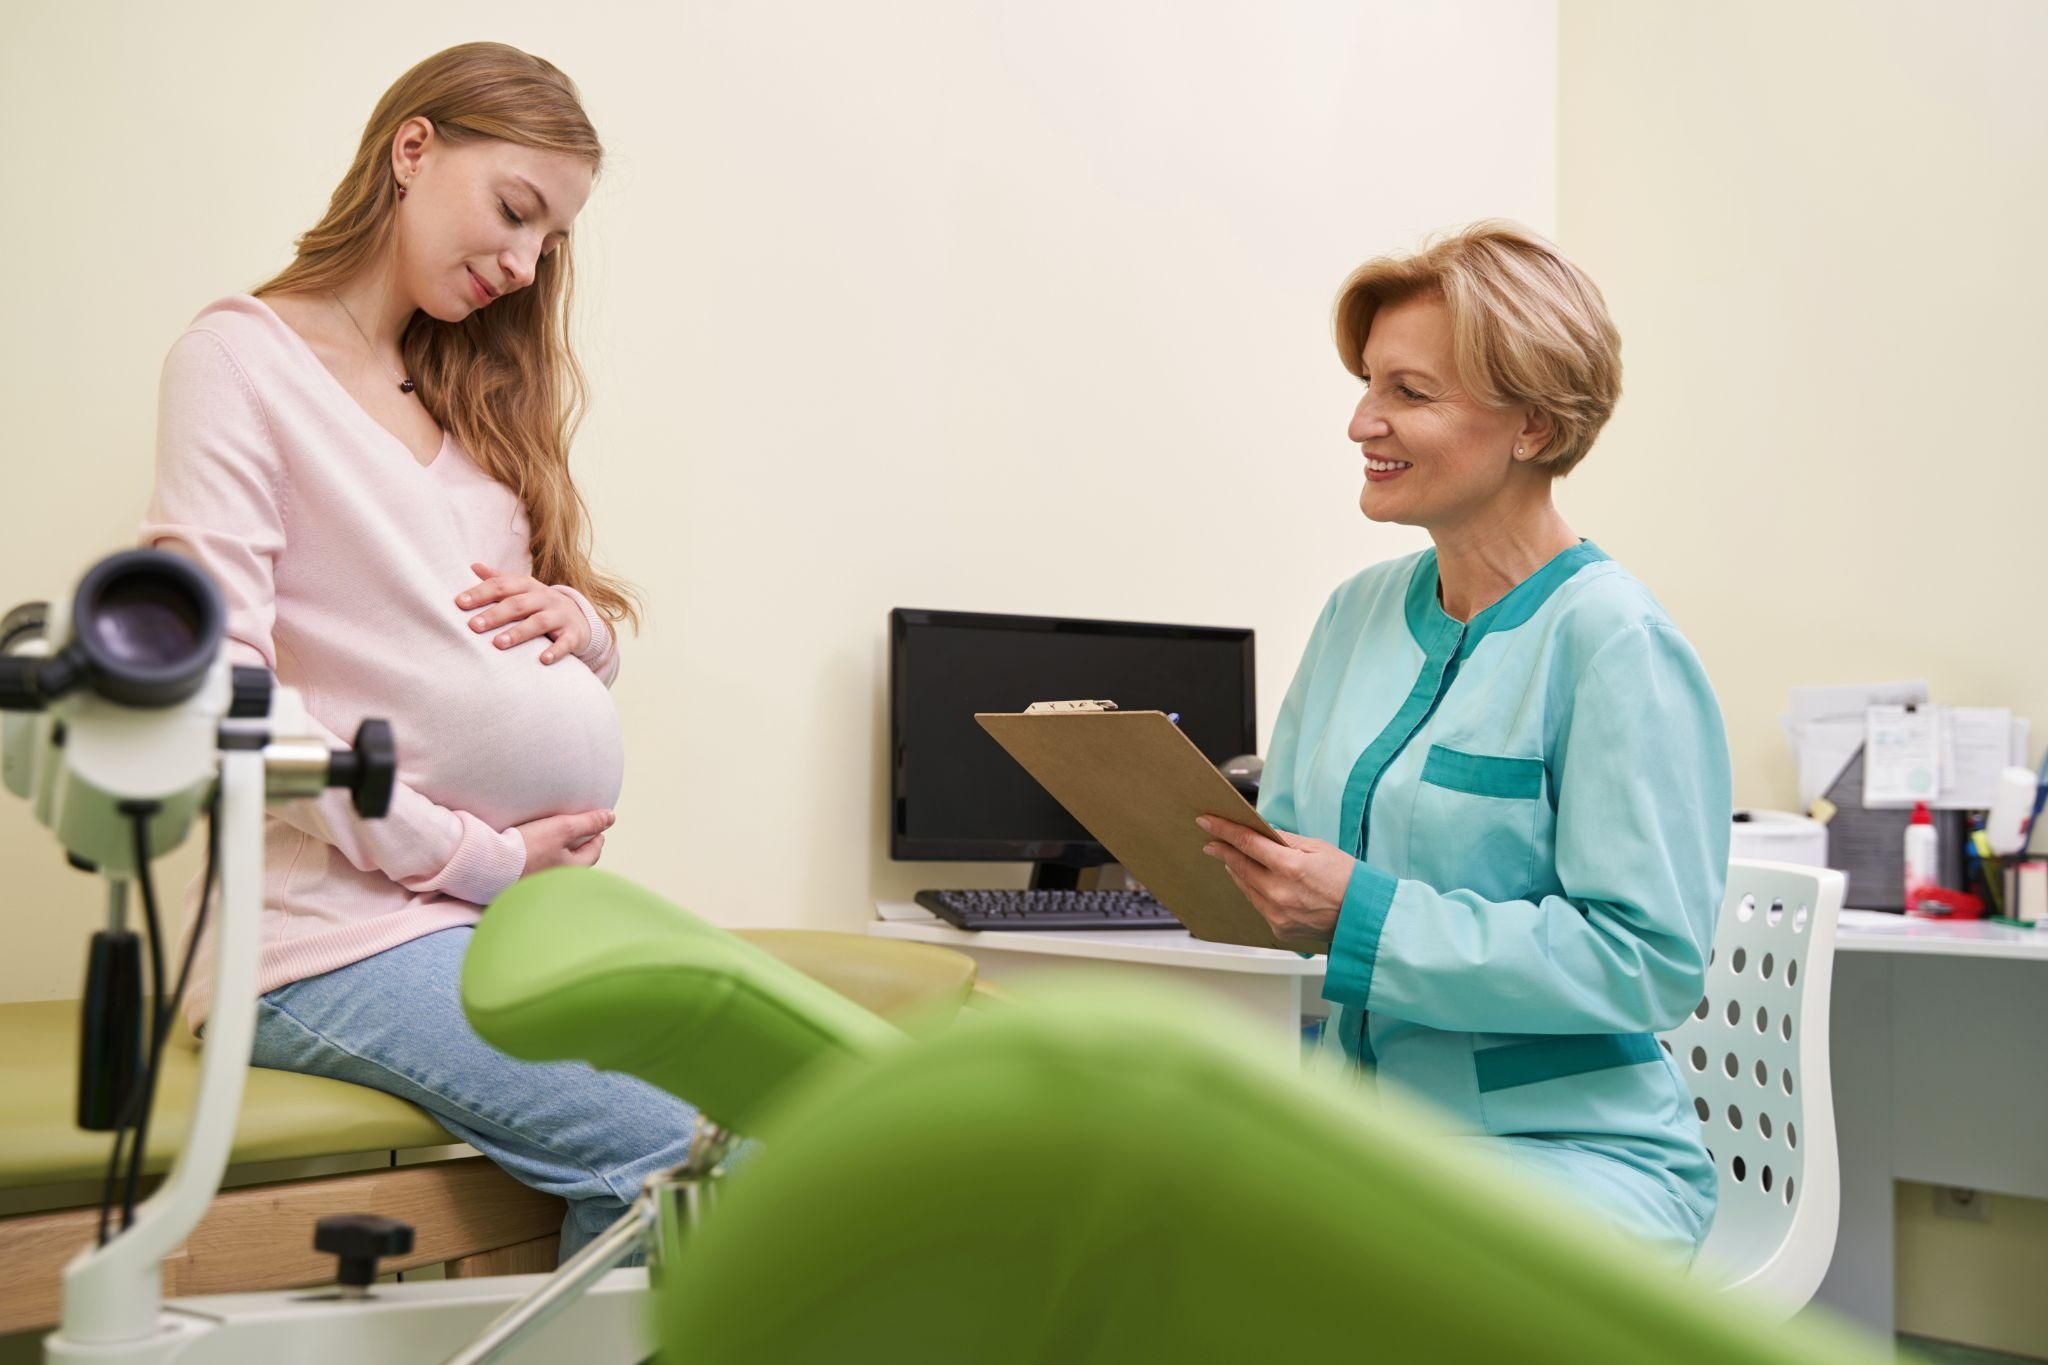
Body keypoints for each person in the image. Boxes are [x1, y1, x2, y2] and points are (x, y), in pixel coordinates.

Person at [141, 41, 695, 1262]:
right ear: (412, 149)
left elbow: (476, 635)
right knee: (681, 1160)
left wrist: (584, 631)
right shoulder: (239, 363)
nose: (523, 261)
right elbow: (219, 700)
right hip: (321, 942)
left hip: (495, 925)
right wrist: (478, 856)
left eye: (550, 240)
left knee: (769, 1112)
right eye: (513, 211)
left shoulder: (465, 390)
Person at [1196, 221, 1730, 1261]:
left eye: (1407, 392)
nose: (1361, 422)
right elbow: (1297, 868)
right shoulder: (1354, 616)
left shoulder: (1613, 643)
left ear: (1530, 426)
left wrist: (1365, 914)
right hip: (1362, 1131)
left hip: (1569, 1154)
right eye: (1365, 385)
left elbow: (1644, 962)